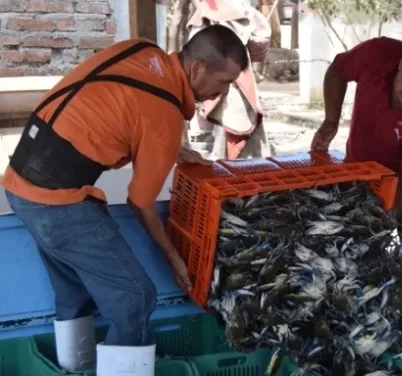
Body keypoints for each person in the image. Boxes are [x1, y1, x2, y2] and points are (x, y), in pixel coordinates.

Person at [1, 25, 248, 376]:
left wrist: (166, 150)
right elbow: (140, 203)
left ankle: (77, 368)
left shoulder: (142, 51)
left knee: (74, 294)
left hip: (21, 185)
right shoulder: (164, 115)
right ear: (196, 70)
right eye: (222, 83)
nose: (220, 93)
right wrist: (173, 257)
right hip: (56, 202)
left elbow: (114, 108)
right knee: (136, 298)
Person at [311, 35, 402, 319]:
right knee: (346, 243)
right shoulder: (377, 54)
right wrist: (331, 119)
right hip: (359, 168)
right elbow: (337, 71)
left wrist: (377, 227)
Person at [185, 0, 274, 160]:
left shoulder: (204, 13)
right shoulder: (246, 13)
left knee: (206, 160)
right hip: (236, 98)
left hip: (211, 105)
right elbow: (261, 46)